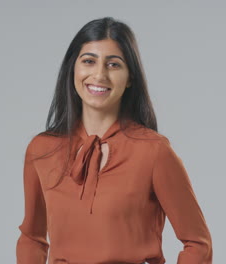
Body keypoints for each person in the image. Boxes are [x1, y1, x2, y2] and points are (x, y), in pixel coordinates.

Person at [16, 17, 213, 264]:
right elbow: (32, 238)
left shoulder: (154, 152)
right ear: (73, 69)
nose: (99, 74)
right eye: (89, 61)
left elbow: (197, 243)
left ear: (130, 77)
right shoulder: (42, 149)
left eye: (113, 65)